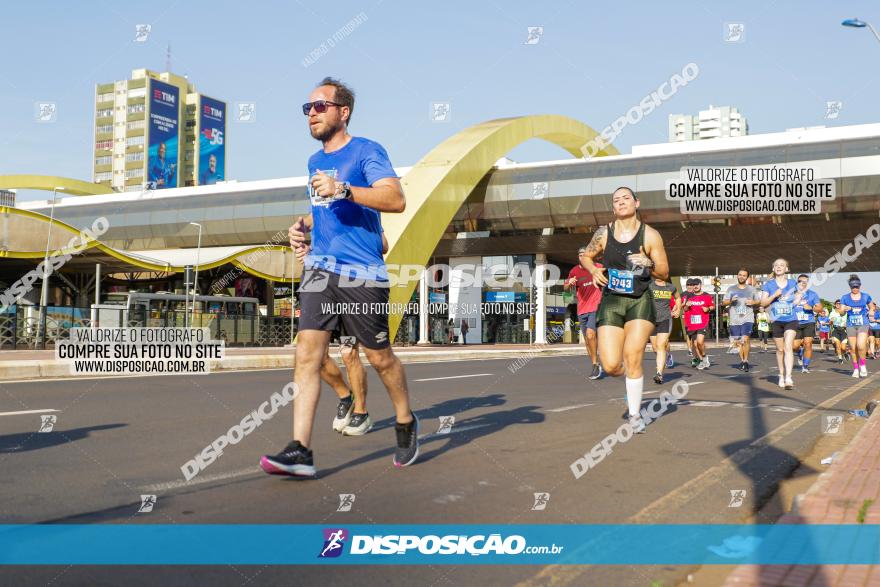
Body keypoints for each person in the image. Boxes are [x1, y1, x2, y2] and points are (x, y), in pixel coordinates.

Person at [261, 77, 418, 477]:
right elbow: (324, 213)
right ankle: (301, 451)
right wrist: (304, 228)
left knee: (379, 358)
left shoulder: (367, 151)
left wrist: (345, 188)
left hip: (362, 274)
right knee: (306, 356)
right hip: (320, 269)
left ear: (342, 111)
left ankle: (404, 420)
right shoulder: (314, 163)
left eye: (319, 106)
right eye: (307, 108)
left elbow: (395, 199)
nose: (311, 114)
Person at [579, 186, 669, 434]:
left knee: (633, 354)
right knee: (610, 366)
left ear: (636, 203)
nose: (621, 202)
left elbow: (664, 272)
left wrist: (648, 263)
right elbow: (585, 256)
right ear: (613, 207)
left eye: (625, 198)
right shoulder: (604, 233)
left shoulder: (650, 235)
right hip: (612, 300)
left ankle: (634, 414)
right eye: (616, 200)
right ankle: (633, 379)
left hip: (640, 300)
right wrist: (594, 270)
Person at [565, 247, 604, 379]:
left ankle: (595, 365)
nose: (582, 257)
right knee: (588, 341)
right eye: (580, 255)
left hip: (596, 306)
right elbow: (565, 288)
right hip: (582, 310)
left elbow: (610, 277)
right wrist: (569, 283)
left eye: (584, 254)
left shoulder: (598, 267)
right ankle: (595, 363)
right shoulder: (574, 271)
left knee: (590, 334)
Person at [759, 259, 799, 390]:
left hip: (791, 319)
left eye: (782, 265)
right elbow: (763, 303)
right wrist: (774, 295)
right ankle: (781, 375)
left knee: (788, 347)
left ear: (787, 269)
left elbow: (798, 296)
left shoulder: (793, 283)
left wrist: (795, 301)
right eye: (776, 265)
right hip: (776, 320)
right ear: (773, 268)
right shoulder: (769, 285)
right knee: (780, 350)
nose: (779, 267)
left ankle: (788, 376)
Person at [723, 267, 759, 372]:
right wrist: (730, 301)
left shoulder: (751, 289)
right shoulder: (731, 289)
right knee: (738, 341)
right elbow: (724, 303)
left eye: (744, 275)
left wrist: (753, 302)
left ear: (747, 277)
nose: (741, 277)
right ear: (737, 276)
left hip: (747, 318)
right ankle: (742, 360)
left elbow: (758, 301)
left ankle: (746, 361)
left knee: (746, 339)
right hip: (734, 319)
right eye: (740, 275)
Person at [839, 274, 873, 378]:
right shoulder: (845, 297)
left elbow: (871, 306)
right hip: (850, 325)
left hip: (863, 323)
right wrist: (844, 309)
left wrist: (871, 311)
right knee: (853, 348)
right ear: (850, 286)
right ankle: (856, 368)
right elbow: (841, 312)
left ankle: (862, 365)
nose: (855, 288)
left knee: (861, 345)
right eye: (853, 287)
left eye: (857, 287)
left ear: (860, 286)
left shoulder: (865, 296)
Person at [648, 277, 681, 384]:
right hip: (651, 320)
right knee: (654, 348)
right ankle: (667, 356)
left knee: (660, 346)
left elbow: (678, 298)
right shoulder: (649, 285)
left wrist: (678, 309)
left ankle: (659, 374)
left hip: (665, 319)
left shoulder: (670, 287)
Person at [791, 274, 823, 374]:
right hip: (795, 322)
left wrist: (811, 308)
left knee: (808, 344)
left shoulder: (812, 294)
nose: (802, 283)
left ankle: (805, 366)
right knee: (794, 346)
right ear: (797, 282)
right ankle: (800, 353)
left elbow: (820, 308)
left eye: (805, 282)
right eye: (800, 281)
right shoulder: (791, 294)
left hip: (809, 322)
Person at [683, 278, 714, 370]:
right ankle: (701, 360)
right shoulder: (689, 296)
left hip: (703, 322)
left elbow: (712, 306)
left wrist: (708, 309)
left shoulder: (707, 296)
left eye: (697, 284)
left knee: (700, 342)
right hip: (692, 323)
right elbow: (685, 309)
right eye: (693, 285)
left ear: (701, 285)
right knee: (696, 344)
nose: (695, 286)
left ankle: (704, 356)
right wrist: (687, 305)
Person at [682, 280, 696, 357]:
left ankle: (694, 348)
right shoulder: (683, 294)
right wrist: (683, 304)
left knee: (695, 334)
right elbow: (679, 305)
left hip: (696, 316)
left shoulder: (696, 293)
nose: (690, 286)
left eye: (691, 284)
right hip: (687, 317)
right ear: (686, 285)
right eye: (688, 284)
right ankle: (689, 349)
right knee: (688, 334)